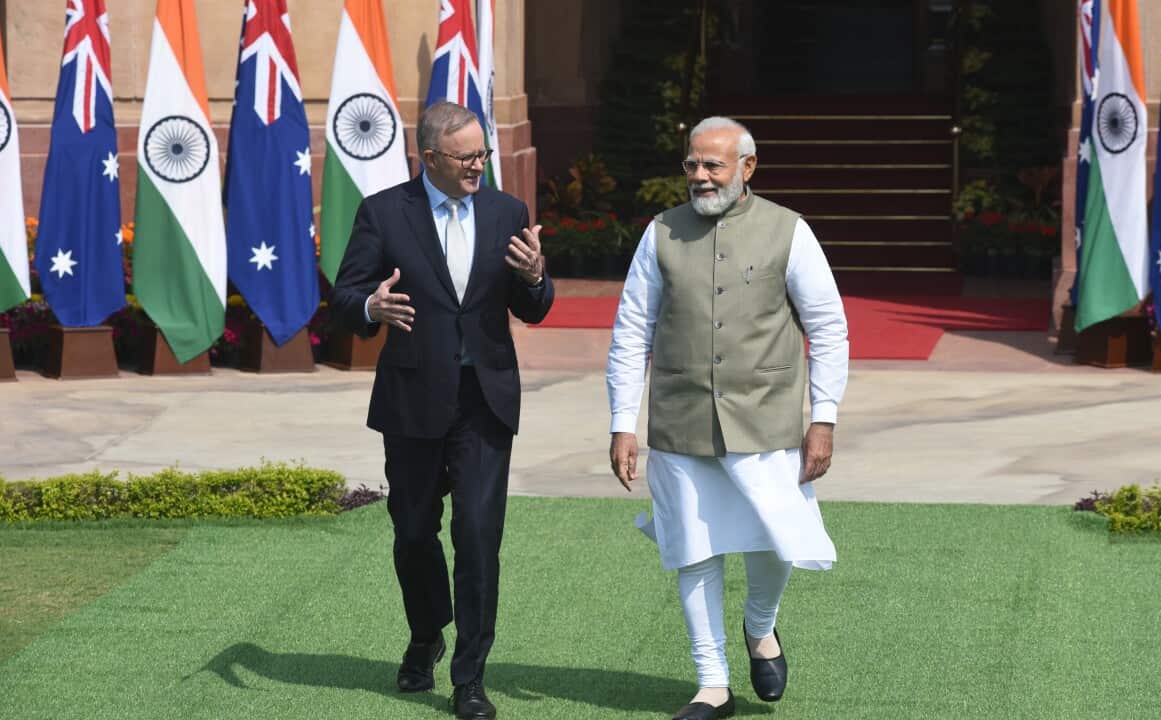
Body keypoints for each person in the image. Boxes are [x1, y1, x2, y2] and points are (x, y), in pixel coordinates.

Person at [606, 116, 848, 720]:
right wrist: (621, 420)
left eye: (713, 165)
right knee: (692, 548)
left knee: (775, 534)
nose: (700, 176)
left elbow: (828, 327)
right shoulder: (660, 232)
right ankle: (711, 682)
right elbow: (631, 328)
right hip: (680, 421)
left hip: (767, 420)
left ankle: (760, 626)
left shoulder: (788, 230)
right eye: (692, 164)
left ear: (748, 167)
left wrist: (825, 418)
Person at [331, 100, 554, 720]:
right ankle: (427, 632)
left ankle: (470, 677)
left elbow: (532, 305)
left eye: (483, 153)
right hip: (411, 401)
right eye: (467, 157)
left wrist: (537, 277)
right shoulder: (384, 213)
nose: (479, 164)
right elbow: (346, 293)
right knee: (412, 535)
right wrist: (370, 308)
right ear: (428, 158)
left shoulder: (508, 211)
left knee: (478, 538)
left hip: (484, 401)